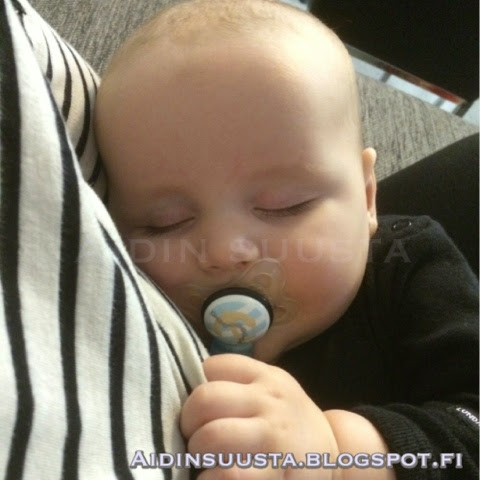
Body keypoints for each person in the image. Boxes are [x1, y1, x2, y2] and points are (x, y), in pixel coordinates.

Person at [94, 0, 479, 478]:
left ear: (366, 198)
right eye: (165, 223)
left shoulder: (410, 268)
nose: (224, 252)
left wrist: (341, 455)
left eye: (284, 205)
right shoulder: (142, 305)